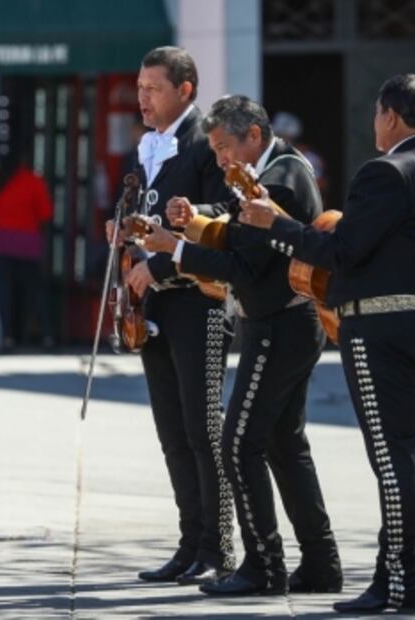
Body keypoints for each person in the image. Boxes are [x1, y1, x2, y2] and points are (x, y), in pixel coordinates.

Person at [238, 74, 415, 614]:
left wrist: (278, 223)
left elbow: (342, 248)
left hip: (384, 330)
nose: (373, 124)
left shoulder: (386, 171)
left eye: (376, 115)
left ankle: (400, 583)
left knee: (393, 458)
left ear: (389, 116)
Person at [142, 95, 342, 596]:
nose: (220, 160)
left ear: (254, 134)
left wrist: (178, 249)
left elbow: (244, 265)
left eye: (225, 147)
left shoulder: (282, 179)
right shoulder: (263, 172)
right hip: (275, 323)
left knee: (237, 441)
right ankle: (321, 563)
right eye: (212, 150)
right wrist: (195, 213)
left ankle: (263, 564)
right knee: (284, 445)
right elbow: (231, 217)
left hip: (281, 325)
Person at [105, 46, 235, 585]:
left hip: (195, 299)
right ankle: (188, 542)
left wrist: (160, 260)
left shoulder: (207, 142)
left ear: (185, 90)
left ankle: (218, 545)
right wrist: (122, 229)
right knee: (172, 432)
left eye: (153, 88)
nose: (143, 98)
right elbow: (144, 213)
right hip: (149, 305)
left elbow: (226, 218)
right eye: (139, 87)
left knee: (204, 428)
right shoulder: (146, 148)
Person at [0, 146, 54, 350]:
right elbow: (46, 214)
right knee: (33, 291)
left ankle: (7, 336)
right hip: (27, 242)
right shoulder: (33, 180)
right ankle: (45, 335)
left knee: (4, 290)